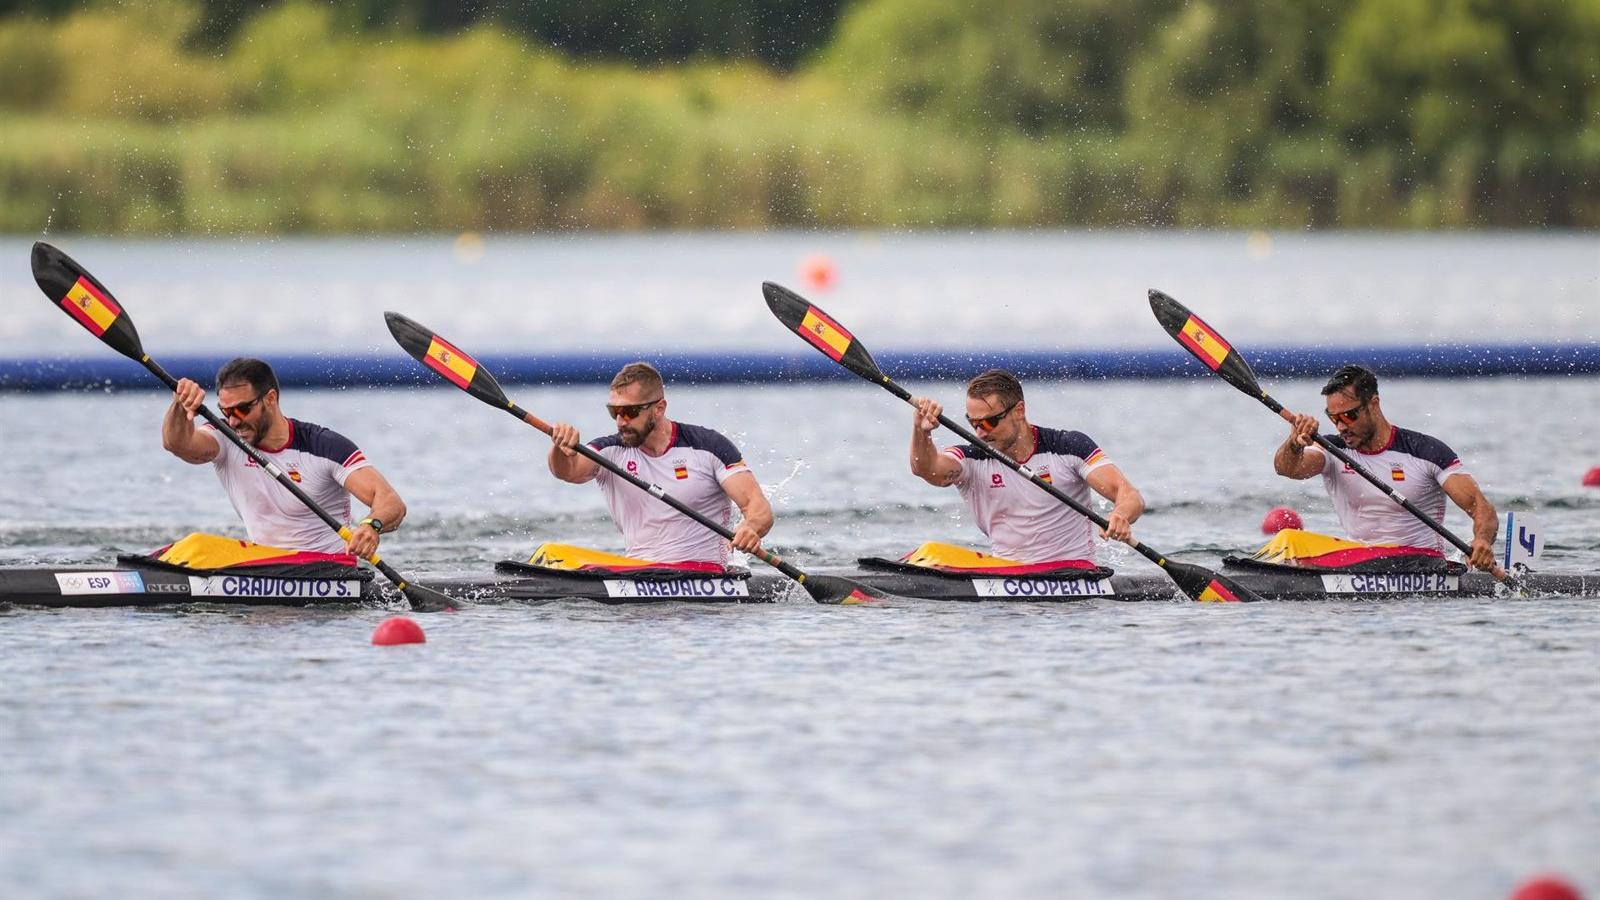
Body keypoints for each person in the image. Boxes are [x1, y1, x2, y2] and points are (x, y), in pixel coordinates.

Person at [161, 357, 405, 557]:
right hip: (264, 566)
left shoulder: (324, 446)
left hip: (329, 571)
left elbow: (391, 502)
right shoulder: (226, 437)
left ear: (270, 398)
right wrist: (179, 405)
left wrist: (371, 525)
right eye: (226, 411)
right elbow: (178, 444)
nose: (234, 420)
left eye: (242, 409)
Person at [548, 362, 773, 567]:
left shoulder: (707, 446)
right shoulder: (609, 451)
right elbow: (569, 472)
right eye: (614, 412)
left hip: (705, 574)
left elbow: (758, 506)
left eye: (629, 412)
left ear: (659, 408)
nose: (620, 421)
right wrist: (560, 448)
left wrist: (750, 528)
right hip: (639, 572)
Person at [1275, 364, 1497, 570]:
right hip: (1361, 559)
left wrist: (1482, 541)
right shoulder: (1333, 450)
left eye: (1349, 416)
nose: (1342, 426)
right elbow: (1287, 469)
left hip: (1421, 561)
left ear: (1373, 404)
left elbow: (1481, 508)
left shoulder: (1426, 452)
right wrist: (1294, 444)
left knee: (1291, 541)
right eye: (1334, 419)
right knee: (1289, 539)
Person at [909, 369, 1144, 563]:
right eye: (973, 423)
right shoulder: (972, 457)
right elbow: (927, 470)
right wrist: (921, 431)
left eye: (989, 422)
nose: (980, 433)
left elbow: (1129, 495)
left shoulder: (1067, 447)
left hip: (1074, 573)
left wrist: (1120, 515)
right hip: (1007, 573)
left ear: (1019, 411)